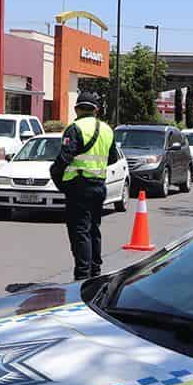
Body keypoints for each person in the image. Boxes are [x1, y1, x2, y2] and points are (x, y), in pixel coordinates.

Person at [52, 90, 121, 280]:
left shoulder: (74, 128)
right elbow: (113, 158)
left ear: (76, 109)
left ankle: (82, 276)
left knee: (80, 231)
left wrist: (56, 175)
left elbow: (65, 158)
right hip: (99, 186)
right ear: (96, 110)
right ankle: (95, 272)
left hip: (79, 186)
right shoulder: (106, 129)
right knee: (94, 229)